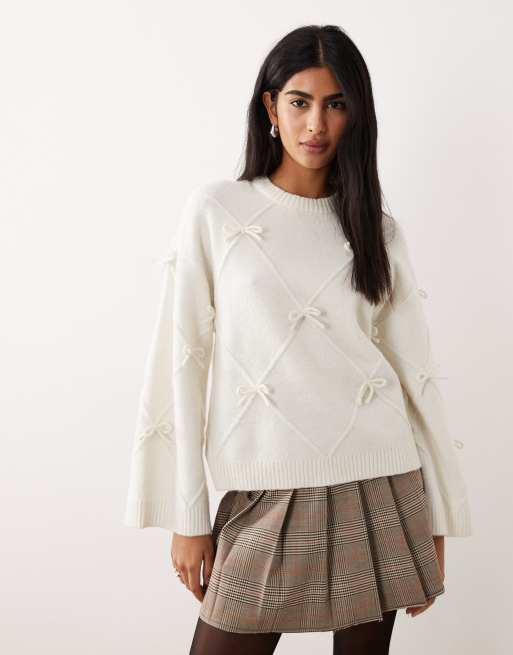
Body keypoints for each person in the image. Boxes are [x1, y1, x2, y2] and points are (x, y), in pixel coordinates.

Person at [123, 24, 472, 654]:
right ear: (270, 107)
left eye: (336, 104)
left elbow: (415, 376)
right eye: (299, 101)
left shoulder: (377, 230)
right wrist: (187, 516)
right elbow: (182, 363)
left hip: (381, 485)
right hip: (263, 492)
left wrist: (438, 520)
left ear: (356, 114)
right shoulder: (216, 211)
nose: (316, 124)